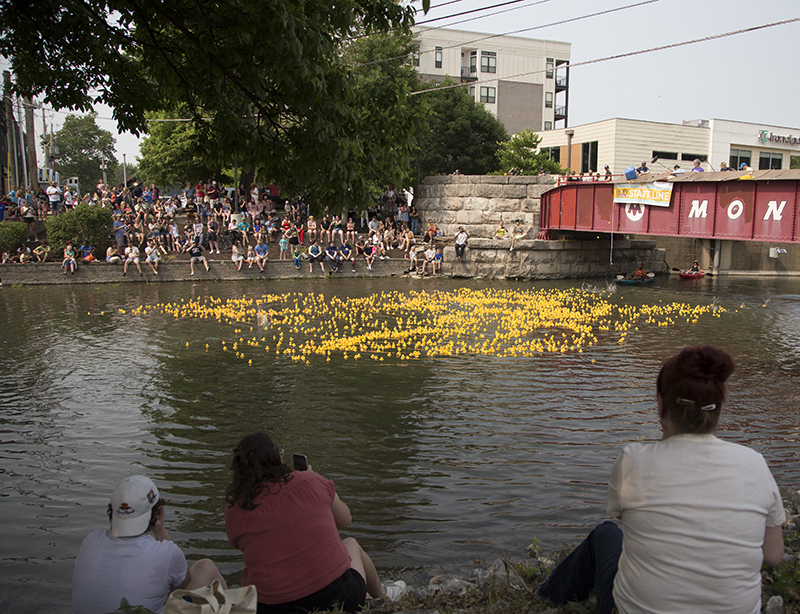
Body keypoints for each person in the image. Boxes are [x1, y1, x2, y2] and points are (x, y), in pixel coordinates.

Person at [538, 346, 785, 614]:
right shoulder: (755, 464)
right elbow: (773, 556)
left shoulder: (634, 460)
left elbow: (631, 518)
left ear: (660, 404)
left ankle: (548, 598)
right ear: (718, 407)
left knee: (606, 533)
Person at [224, 433, 406, 614]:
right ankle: (383, 597)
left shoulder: (234, 511)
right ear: (275, 459)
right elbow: (345, 519)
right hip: (340, 599)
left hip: (272, 609)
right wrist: (316, 480)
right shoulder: (308, 481)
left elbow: (247, 544)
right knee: (350, 543)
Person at [72, 475, 226, 614]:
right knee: (206, 567)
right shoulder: (165, 552)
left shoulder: (90, 540)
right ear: (159, 513)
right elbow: (183, 584)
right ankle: (235, 607)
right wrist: (160, 531)